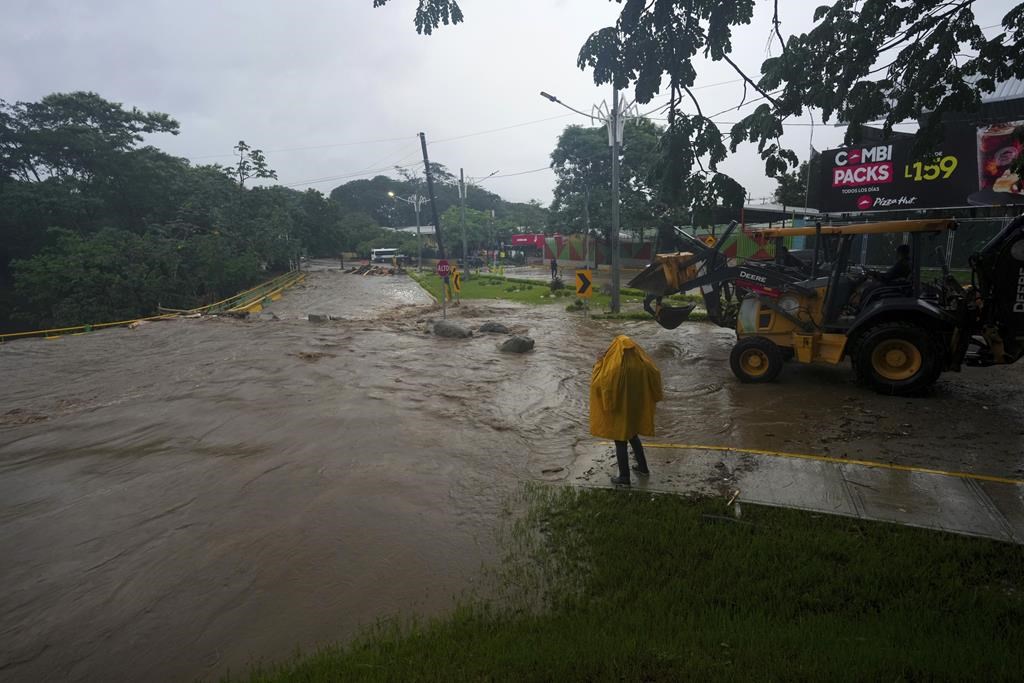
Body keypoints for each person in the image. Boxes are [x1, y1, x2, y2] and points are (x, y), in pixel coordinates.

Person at [590, 335, 663, 487]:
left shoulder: (613, 368)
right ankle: (643, 467)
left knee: (620, 440)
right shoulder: (642, 363)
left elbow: (598, 383)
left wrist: (599, 362)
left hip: (619, 409)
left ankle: (624, 477)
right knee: (633, 436)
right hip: (634, 408)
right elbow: (655, 374)